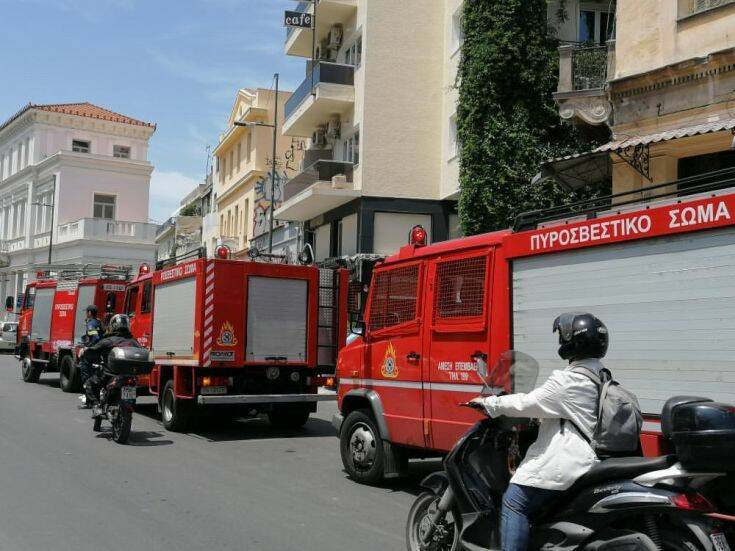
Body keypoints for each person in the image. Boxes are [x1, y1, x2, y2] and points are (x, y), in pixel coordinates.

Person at [470, 312, 609, 551]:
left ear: (572, 342)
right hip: (593, 457)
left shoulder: (568, 380)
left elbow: (526, 403)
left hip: (569, 460)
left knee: (514, 502)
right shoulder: (601, 375)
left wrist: (488, 404)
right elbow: (567, 410)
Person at [81, 314, 141, 415]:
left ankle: (96, 406)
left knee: (89, 384)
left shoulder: (108, 340)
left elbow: (92, 351)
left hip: (109, 374)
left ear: (113, 326)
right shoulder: (134, 342)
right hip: (130, 375)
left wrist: (84, 352)